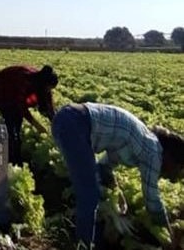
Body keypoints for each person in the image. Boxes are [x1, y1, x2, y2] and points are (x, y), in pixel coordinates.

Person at [52, 103, 184, 248]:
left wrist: (118, 191)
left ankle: (88, 239)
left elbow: (103, 166)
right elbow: (152, 198)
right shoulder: (154, 152)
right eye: (178, 167)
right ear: (171, 157)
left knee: (90, 189)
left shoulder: (141, 141)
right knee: (89, 193)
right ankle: (84, 244)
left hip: (69, 118)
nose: (173, 173)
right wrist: (168, 233)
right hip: (76, 124)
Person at [0, 64, 58, 165]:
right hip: (1, 87)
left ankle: (15, 152)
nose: (49, 90)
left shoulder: (43, 84)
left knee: (17, 124)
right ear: (44, 83)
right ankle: (12, 158)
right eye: (48, 88)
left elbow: (50, 106)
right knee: (12, 122)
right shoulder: (24, 80)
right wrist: (37, 125)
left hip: (13, 90)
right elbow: (21, 107)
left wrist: (54, 122)